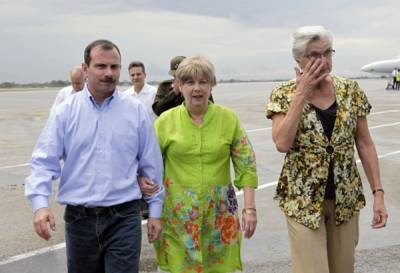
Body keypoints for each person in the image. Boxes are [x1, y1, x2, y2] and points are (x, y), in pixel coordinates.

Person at [25, 39, 164, 273]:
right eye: (101, 66)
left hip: (124, 217)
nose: (109, 73)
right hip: (80, 221)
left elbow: (151, 164)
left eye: (114, 67)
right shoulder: (65, 112)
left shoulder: (136, 111)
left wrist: (156, 212)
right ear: (85, 69)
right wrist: (40, 205)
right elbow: (44, 161)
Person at [265, 26, 388, 273]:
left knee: (343, 268)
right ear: (299, 59)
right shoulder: (283, 94)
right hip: (303, 201)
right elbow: (282, 143)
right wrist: (301, 94)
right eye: (313, 55)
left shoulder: (350, 90)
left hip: (345, 198)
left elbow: (364, 143)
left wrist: (378, 193)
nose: (322, 61)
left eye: (327, 53)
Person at [153, 56, 258, 273]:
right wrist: (153, 213)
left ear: (212, 84)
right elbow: (150, 169)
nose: (197, 88)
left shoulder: (229, 119)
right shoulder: (164, 122)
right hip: (178, 219)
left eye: (203, 82)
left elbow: (246, 164)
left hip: (220, 218)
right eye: (190, 82)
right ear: (179, 86)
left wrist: (249, 209)